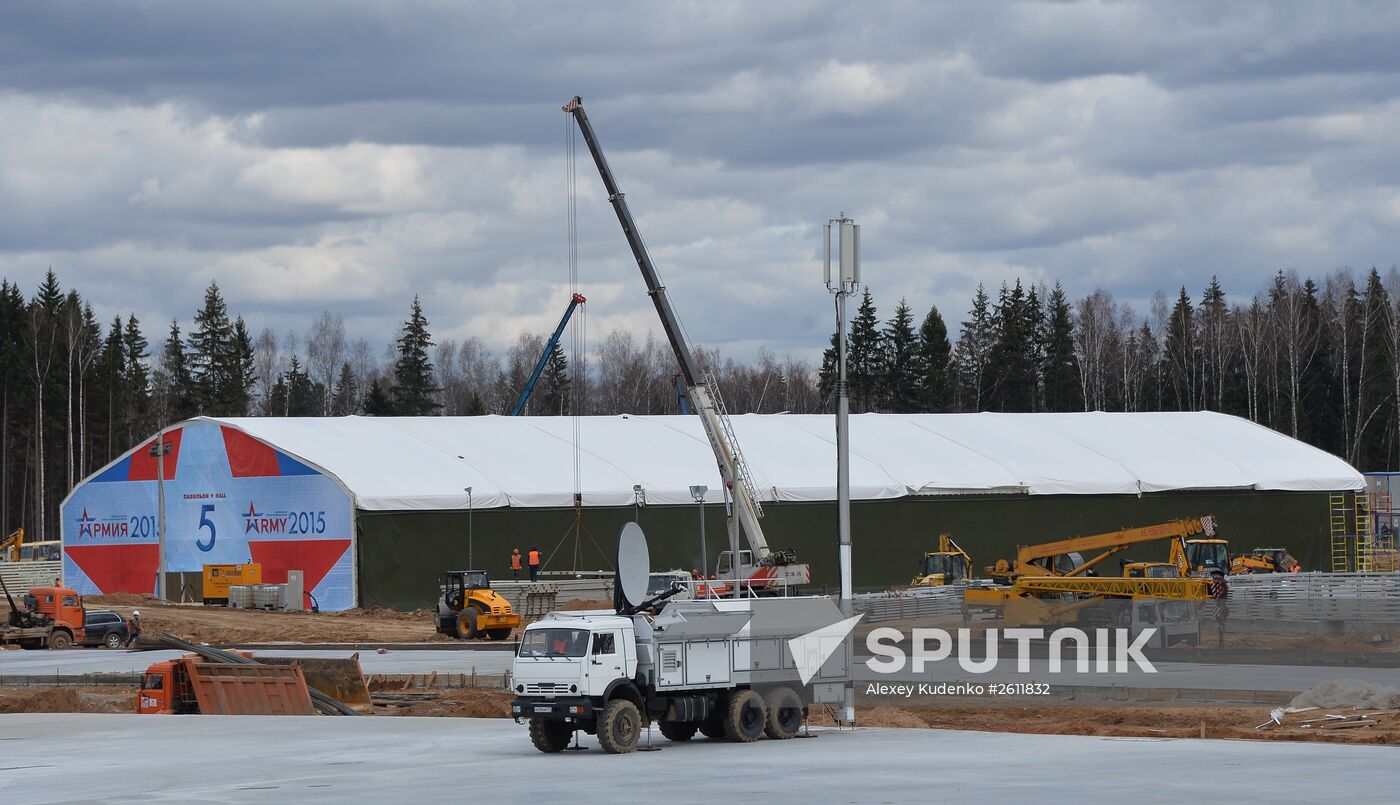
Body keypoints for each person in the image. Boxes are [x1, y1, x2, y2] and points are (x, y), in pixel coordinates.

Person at [1206, 570, 1229, 648]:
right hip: (1219, 603)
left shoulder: (1221, 583)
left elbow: (1223, 593)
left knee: (1221, 617)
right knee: (1220, 618)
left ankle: (1221, 639)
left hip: (1220, 603)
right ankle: (1221, 638)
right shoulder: (1215, 584)